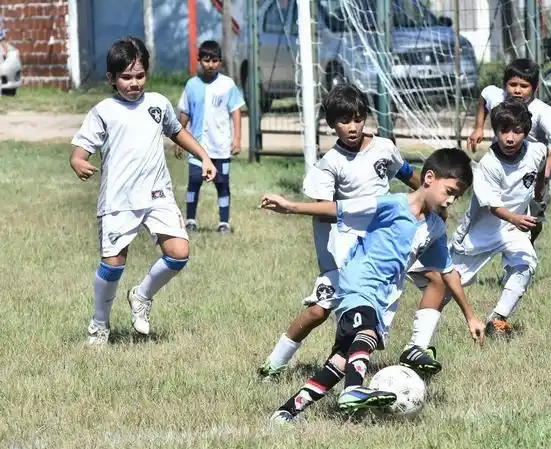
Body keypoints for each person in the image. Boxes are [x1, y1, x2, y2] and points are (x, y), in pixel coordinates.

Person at [260, 147, 484, 423]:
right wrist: (291, 206)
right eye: (449, 191)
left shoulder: (434, 228)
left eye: (457, 197)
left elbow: (448, 272)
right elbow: (339, 209)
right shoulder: (391, 205)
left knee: (339, 362)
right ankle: (354, 390)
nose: (451, 201)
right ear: (429, 178)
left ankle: (287, 411)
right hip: (358, 284)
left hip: (382, 300)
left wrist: (470, 316)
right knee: (365, 333)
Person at [256, 83, 424, 381]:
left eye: (358, 118)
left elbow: (408, 175)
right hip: (344, 252)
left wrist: (430, 195)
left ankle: (416, 350)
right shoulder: (329, 165)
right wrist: (330, 261)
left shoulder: (384, 148)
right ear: (332, 124)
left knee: (424, 283)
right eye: (344, 120)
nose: (353, 126)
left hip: (381, 248)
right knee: (319, 311)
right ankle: (273, 364)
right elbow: (323, 214)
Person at [70, 36, 216, 345]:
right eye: (126, 77)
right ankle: (99, 326)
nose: (134, 83)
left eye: (139, 75)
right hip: (118, 200)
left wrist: (203, 156)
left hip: (156, 194)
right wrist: (79, 162)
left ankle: (141, 295)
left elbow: (177, 132)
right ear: (111, 78)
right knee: (113, 265)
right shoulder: (103, 111)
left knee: (179, 253)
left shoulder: (158, 104)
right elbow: (80, 152)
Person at [401, 99, 547, 368]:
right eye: (503, 131)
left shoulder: (537, 151)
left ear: (526, 131)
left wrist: (538, 193)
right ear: (495, 131)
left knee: (525, 264)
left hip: (513, 228)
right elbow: (494, 207)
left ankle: (498, 319)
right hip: (479, 233)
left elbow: (541, 167)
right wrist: (517, 218)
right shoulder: (489, 165)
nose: (510, 137)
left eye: (516, 131)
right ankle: (417, 344)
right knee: (446, 287)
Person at [467, 58, 551, 243]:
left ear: (535, 87)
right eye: (512, 84)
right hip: (501, 166)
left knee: (534, 212)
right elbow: (484, 97)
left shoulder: (543, 111)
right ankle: (480, 241)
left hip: (530, 173)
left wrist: (546, 169)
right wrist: (478, 127)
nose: (517, 90)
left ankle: (526, 244)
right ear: (504, 84)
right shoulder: (497, 96)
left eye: (524, 86)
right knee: (488, 208)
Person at [175, 39, 245, 234]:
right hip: (197, 147)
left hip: (220, 147)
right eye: (206, 60)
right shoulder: (191, 85)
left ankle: (224, 222)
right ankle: (190, 220)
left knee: (222, 184)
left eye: (215, 60)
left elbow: (236, 111)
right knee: (194, 183)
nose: (211, 64)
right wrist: (179, 139)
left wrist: (237, 139)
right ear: (199, 60)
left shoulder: (227, 84)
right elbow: (185, 113)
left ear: (220, 62)